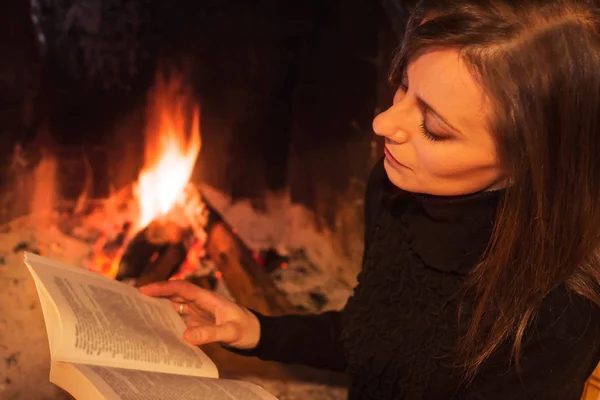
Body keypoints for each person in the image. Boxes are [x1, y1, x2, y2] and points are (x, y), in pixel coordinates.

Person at [140, 0, 600, 398]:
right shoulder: (395, 188)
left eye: (434, 128)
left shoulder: (559, 311)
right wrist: (256, 330)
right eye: (403, 86)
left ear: (534, 161)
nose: (383, 124)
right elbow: (375, 337)